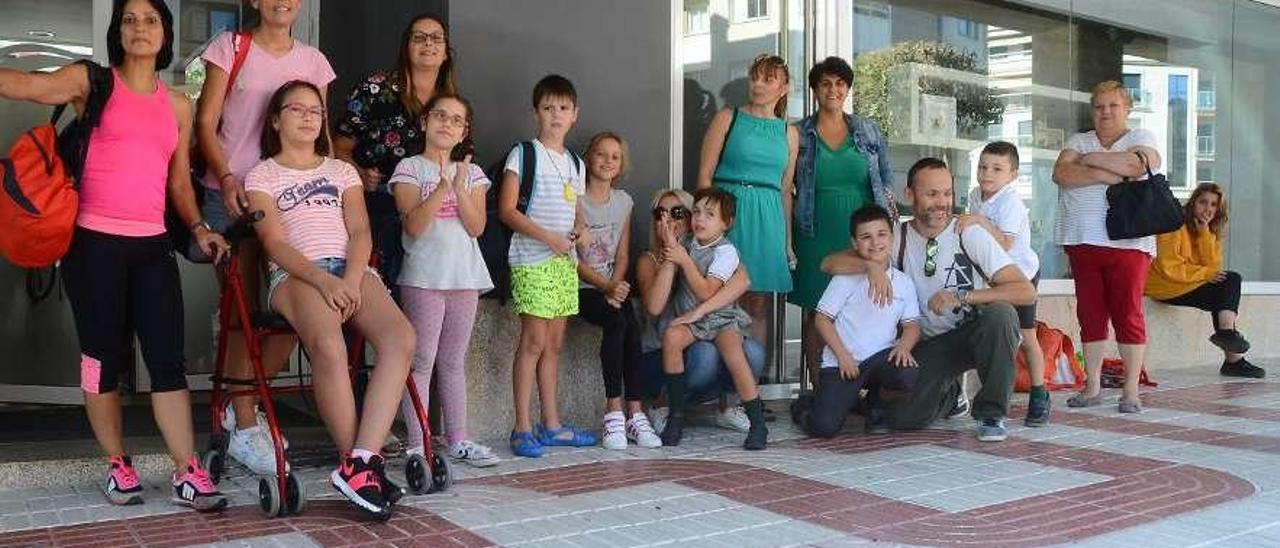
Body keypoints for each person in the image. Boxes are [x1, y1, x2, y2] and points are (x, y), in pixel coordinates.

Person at [0, 0, 229, 511]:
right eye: (130, 20)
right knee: (99, 360)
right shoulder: (93, 82)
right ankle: (117, 465)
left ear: (165, 33)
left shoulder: (178, 105)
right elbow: (27, 86)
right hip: (93, 246)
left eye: (150, 20)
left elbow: (177, 184)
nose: (140, 28)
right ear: (117, 31)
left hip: (152, 247)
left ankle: (187, 471)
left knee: (166, 361)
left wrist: (198, 227)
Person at [245, 81, 414, 519]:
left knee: (400, 338)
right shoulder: (262, 174)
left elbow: (360, 231)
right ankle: (355, 466)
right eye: (295, 109)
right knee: (330, 345)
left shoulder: (341, 171)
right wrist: (323, 280)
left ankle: (362, 461)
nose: (307, 116)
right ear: (276, 119)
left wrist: (353, 281)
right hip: (297, 274)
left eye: (315, 110)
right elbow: (274, 243)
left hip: (352, 270)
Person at [195, 0, 336, 474]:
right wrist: (228, 177)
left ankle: (243, 404)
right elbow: (205, 122)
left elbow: (323, 133)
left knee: (292, 307)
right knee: (243, 311)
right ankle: (246, 420)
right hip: (233, 196)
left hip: (293, 196)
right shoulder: (230, 46)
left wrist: (334, 186)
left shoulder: (314, 61)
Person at [822, 158, 1035, 442]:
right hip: (926, 346)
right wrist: (871, 266)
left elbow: (1025, 291)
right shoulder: (896, 236)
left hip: (971, 336)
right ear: (910, 195)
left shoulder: (967, 233)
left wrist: (963, 296)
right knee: (901, 419)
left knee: (1001, 315)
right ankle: (951, 395)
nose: (941, 203)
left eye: (947, 193)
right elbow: (828, 264)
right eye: (931, 194)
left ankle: (990, 414)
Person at [389, 94, 498, 467]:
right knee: (420, 361)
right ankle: (418, 444)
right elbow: (415, 226)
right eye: (440, 116)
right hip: (423, 278)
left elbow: (477, 226)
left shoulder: (474, 173)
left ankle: (458, 439)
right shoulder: (409, 168)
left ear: (464, 130)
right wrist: (440, 187)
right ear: (424, 121)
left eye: (456, 120)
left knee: (452, 361)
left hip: (464, 278)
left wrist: (460, 185)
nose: (447, 124)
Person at [500, 74, 598, 458]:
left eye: (563, 108)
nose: (555, 115)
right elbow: (508, 210)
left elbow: (576, 211)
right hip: (532, 260)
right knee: (533, 342)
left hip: (563, 264)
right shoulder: (524, 153)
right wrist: (549, 238)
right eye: (548, 107)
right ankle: (522, 425)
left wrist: (580, 231)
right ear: (535, 112)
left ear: (575, 114)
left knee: (554, 344)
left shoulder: (575, 162)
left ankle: (552, 424)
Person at [1052, 80, 1163, 414]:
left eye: (1113, 105)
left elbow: (1138, 165)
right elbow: (1062, 174)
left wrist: (1091, 160)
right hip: (1082, 241)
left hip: (1128, 243)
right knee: (1091, 315)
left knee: (1128, 314)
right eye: (1099, 106)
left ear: (1126, 108)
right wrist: (1111, 172)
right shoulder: (1077, 140)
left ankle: (1130, 390)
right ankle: (1093, 386)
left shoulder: (1141, 138)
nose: (1105, 112)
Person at [791, 56, 896, 390]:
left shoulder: (868, 130)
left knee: (866, 304)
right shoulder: (798, 133)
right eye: (825, 83)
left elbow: (886, 181)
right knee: (817, 310)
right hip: (814, 229)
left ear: (847, 89)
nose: (832, 90)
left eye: (839, 83)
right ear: (815, 89)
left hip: (863, 233)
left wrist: (890, 230)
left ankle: (865, 388)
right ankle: (818, 390)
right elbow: (785, 184)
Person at [336, 13, 457, 297]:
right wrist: (358, 172)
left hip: (433, 214)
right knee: (374, 296)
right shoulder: (375, 89)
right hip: (377, 208)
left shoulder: (452, 103)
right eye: (419, 37)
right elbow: (338, 147)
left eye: (436, 38)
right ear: (406, 47)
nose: (428, 44)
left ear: (446, 52)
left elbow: (462, 160)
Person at [634, 189, 765, 440]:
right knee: (674, 337)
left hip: (720, 319)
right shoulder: (677, 248)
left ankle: (756, 422)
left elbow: (729, 284)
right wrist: (674, 250)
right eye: (661, 213)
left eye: (677, 213)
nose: (668, 220)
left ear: (726, 223)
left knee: (740, 355)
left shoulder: (724, 251)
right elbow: (655, 306)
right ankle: (673, 415)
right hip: (676, 337)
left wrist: (683, 260)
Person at [697, 53, 800, 343]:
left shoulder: (789, 133)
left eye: (768, 79)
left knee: (759, 303)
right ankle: (722, 379)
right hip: (729, 214)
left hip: (768, 219)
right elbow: (704, 178)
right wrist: (707, 227)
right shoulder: (728, 118)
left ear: (785, 87)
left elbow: (785, 190)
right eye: (755, 77)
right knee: (723, 295)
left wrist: (787, 242)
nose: (758, 84)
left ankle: (751, 378)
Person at [806, 206, 921, 438]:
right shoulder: (846, 277)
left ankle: (874, 404)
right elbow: (822, 319)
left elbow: (912, 324)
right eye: (865, 237)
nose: (875, 242)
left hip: (880, 358)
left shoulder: (904, 282)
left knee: (906, 373)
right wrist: (842, 355)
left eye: (881, 234)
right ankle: (805, 407)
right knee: (824, 427)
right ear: (854, 243)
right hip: (844, 362)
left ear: (892, 236)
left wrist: (904, 346)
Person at [959, 141, 1049, 426]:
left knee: (1026, 336)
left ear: (1012, 175)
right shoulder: (975, 195)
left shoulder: (1010, 201)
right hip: (989, 274)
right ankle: (974, 395)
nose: (987, 173)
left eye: (997, 169)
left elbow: (1006, 242)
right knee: (990, 331)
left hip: (1020, 275)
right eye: (983, 167)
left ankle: (1039, 393)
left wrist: (978, 222)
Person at [574, 132, 655, 450]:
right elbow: (571, 260)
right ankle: (613, 414)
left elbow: (622, 255)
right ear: (588, 157)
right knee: (617, 322)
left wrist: (617, 288)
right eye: (600, 154)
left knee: (631, 325)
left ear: (621, 164)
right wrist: (606, 286)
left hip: (611, 287)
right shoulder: (575, 200)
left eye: (615, 156)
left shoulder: (624, 202)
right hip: (582, 287)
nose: (607, 161)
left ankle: (635, 414)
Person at [1147, 183, 1262, 378]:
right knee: (1228, 284)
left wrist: (1204, 234)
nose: (1208, 209)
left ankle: (1228, 340)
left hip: (1185, 284)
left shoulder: (1208, 230)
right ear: (1193, 202)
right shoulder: (1174, 223)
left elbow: (1213, 269)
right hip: (1163, 285)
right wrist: (1205, 274)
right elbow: (1170, 267)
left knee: (1228, 283)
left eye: (1214, 205)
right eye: (1203, 202)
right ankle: (1232, 354)